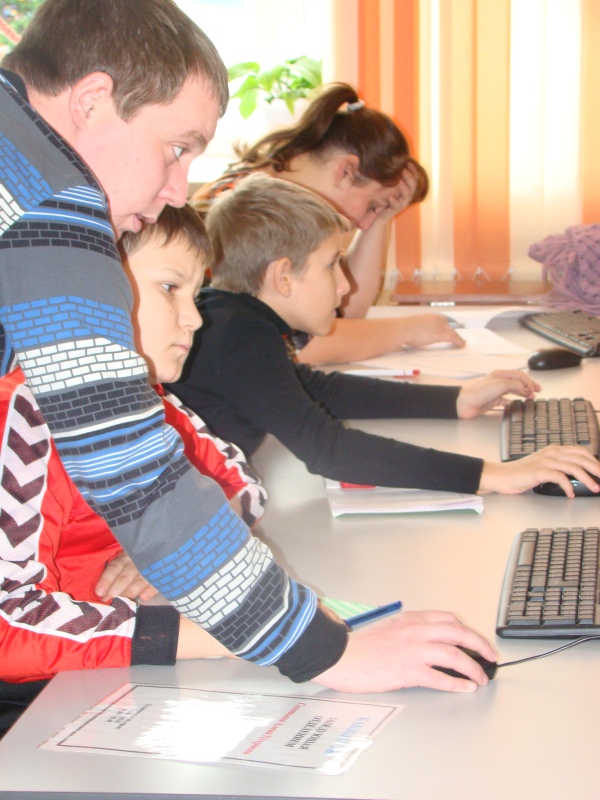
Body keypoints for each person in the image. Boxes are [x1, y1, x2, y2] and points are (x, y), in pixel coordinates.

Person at [0, 0, 497, 707]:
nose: (180, 188)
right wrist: (321, 648)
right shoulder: (50, 203)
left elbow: (183, 472)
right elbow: (129, 467)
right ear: (91, 101)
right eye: (177, 148)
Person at [0, 204, 268, 736]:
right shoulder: (27, 416)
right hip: (35, 697)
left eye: (195, 295)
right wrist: (205, 634)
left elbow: (243, 486)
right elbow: (8, 629)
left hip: (108, 668)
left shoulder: (148, 400)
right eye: (170, 288)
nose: (195, 318)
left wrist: (172, 545)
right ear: (89, 291)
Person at [169, 174, 600, 500]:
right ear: (283, 276)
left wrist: (456, 399)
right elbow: (329, 450)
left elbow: (313, 389)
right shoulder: (239, 335)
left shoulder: (234, 321)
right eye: (332, 265)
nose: (345, 286)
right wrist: (496, 474)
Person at [191, 81, 465, 366]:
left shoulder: (277, 201)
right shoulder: (248, 209)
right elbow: (299, 347)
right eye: (372, 205)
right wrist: (407, 330)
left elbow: (340, 311)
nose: (363, 222)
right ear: (345, 171)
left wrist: (381, 220)